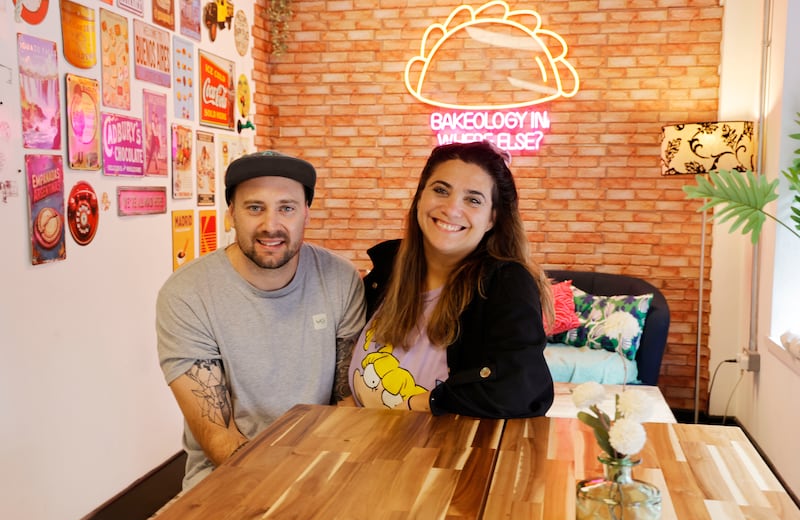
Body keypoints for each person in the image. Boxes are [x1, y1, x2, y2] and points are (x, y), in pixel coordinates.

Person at [157, 150, 366, 490]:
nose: (271, 225)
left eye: (287, 208)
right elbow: (218, 434)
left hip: (323, 468)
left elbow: (347, 403)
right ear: (231, 215)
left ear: (306, 215)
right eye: (255, 208)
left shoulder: (340, 279)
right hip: (224, 479)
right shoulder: (187, 294)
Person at [348, 141, 554, 418]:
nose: (452, 208)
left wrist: (420, 404)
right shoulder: (388, 269)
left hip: (440, 459)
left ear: (492, 218)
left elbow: (523, 389)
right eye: (441, 190)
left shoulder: (504, 284)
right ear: (420, 197)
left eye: (473, 199)